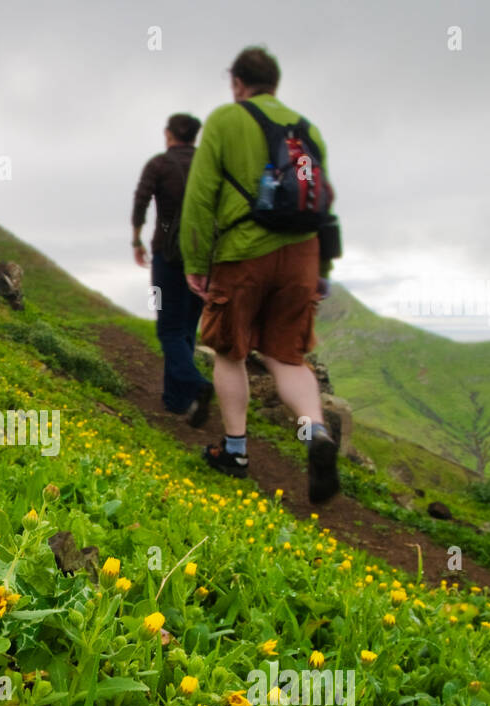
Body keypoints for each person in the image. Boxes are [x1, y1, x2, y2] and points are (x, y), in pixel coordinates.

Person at [179, 46, 340, 504]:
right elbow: (323, 202)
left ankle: (235, 453)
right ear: (275, 83)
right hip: (302, 255)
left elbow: (201, 196)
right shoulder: (307, 129)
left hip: (243, 252)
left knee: (229, 350)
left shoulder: (226, 121)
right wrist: (320, 270)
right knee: (288, 358)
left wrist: (195, 262)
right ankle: (315, 432)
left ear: (237, 82)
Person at [132, 113, 214, 427]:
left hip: (167, 254)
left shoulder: (158, 165)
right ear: (195, 136)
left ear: (168, 135)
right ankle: (176, 399)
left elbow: (140, 202)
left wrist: (136, 239)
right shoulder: (209, 166)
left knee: (168, 327)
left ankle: (194, 385)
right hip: (204, 258)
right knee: (186, 327)